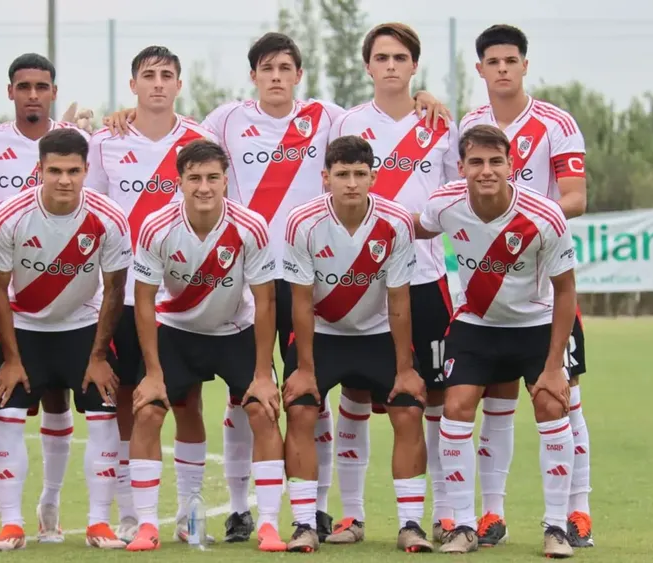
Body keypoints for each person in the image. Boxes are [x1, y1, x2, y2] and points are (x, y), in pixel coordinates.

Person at [104, 32, 449, 541]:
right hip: (246, 275)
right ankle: (242, 507)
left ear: (299, 75)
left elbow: (380, 112)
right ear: (253, 76)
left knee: (305, 397)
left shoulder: (329, 118)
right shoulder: (225, 119)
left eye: (285, 68)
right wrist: (121, 117)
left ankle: (320, 510)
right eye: (267, 69)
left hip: (316, 272)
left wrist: (422, 100)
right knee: (251, 401)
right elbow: (179, 140)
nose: (276, 77)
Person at [415, 124, 578, 558]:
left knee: (550, 405)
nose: (485, 171)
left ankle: (558, 527)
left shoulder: (544, 216)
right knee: (455, 408)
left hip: (535, 327)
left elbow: (565, 291)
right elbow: (416, 228)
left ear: (511, 165)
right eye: (476, 162)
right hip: (476, 326)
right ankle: (464, 525)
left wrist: (553, 366)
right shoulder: (444, 204)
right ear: (461, 167)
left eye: (494, 162)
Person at [459, 24, 592, 548]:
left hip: (540, 280)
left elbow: (576, 196)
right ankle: (492, 515)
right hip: (487, 290)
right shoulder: (469, 124)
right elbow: (458, 188)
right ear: (481, 69)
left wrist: (519, 227)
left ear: (524, 65)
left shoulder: (556, 123)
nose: (503, 69)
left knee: (563, 395)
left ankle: (578, 511)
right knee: (496, 399)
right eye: (493, 62)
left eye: (511, 60)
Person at [327, 22, 460, 544]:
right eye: (380, 57)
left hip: (424, 278)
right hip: (357, 282)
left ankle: (443, 515)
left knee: (432, 400)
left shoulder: (440, 123)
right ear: (367, 67)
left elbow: (454, 195)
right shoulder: (347, 121)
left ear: (413, 66)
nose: (390, 66)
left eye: (400, 57)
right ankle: (352, 516)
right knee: (355, 397)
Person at [85, 45, 218, 544]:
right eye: (148, 75)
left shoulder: (200, 140)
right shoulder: (105, 141)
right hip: (120, 293)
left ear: (178, 85)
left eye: (167, 75)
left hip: (181, 298)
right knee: (125, 400)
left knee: (185, 402)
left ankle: (189, 510)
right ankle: (128, 508)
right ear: (133, 85)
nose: (158, 83)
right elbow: (91, 210)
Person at [126, 139, 287, 552]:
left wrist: (265, 374)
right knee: (151, 412)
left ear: (225, 180)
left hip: (234, 330)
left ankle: (269, 524)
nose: (204, 187)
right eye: (194, 178)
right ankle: (154, 523)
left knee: (262, 409)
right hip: (177, 331)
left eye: (212, 177)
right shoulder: (156, 226)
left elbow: (265, 299)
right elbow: (143, 299)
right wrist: (154, 373)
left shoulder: (250, 226)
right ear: (178, 181)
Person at [0, 52, 91, 548]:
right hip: (4, 295)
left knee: (59, 397)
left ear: (53, 92)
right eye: (24, 86)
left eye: (42, 86)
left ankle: (50, 503)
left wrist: (114, 122)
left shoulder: (78, 142)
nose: (33, 94)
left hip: (66, 296)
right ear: (11, 91)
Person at [281, 135, 431, 553]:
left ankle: (410, 525)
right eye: (342, 174)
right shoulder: (302, 221)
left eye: (359, 174)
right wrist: (305, 368)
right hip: (323, 337)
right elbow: (301, 300)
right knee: (300, 411)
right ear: (326, 178)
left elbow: (399, 298)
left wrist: (404, 369)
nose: (351, 183)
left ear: (373, 178)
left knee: (407, 412)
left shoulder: (397, 221)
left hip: (378, 336)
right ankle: (304, 524)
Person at [0, 128, 132, 550]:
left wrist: (99, 354)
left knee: (103, 416)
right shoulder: (11, 217)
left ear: (87, 170)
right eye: (55, 171)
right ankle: (12, 524)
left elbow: (115, 290)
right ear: (39, 171)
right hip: (25, 329)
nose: (64, 179)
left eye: (73, 170)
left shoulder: (108, 218)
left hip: (83, 330)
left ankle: (97, 524)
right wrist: (11, 359)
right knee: (8, 415)